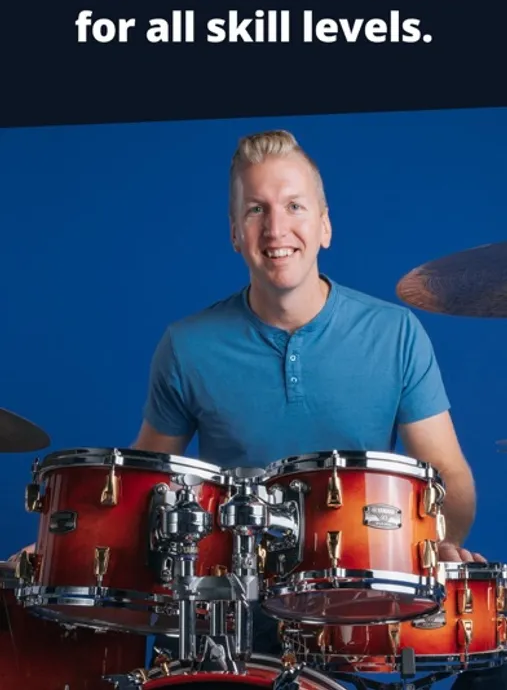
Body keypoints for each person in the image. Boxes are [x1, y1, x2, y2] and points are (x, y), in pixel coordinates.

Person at [11, 129, 504, 688]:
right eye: (255, 210)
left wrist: (437, 545)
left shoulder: (395, 333)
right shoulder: (187, 344)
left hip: (344, 615)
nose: (275, 229)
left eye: (294, 206)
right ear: (235, 234)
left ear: (325, 226)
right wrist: (63, 549)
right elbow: (140, 487)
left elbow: (447, 474)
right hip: (220, 615)